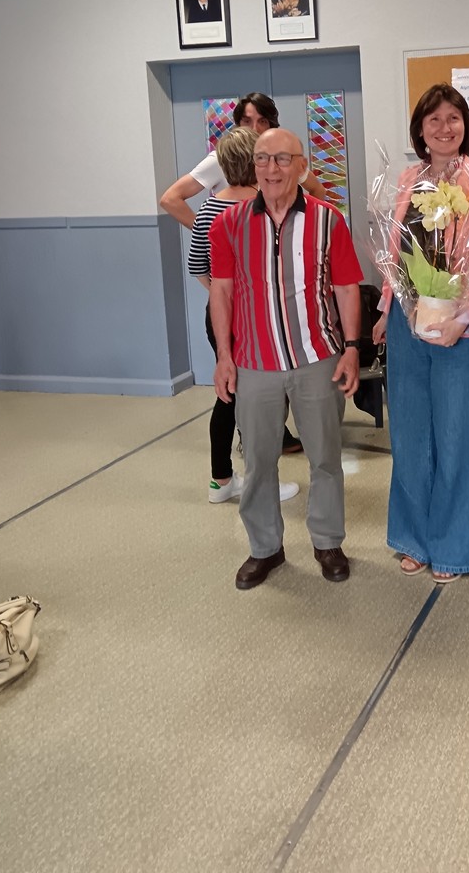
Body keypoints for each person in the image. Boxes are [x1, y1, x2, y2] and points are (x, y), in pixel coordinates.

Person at [209, 126, 363, 589]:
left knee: (325, 457)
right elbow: (221, 292)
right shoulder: (229, 223)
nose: (271, 169)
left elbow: (346, 288)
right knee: (259, 462)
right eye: (262, 159)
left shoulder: (328, 220)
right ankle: (265, 549)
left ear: (301, 166)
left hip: (317, 358)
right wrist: (224, 356)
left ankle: (328, 542)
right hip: (254, 362)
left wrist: (351, 348)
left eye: (281, 159)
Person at [372, 84, 469, 584]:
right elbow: (396, 254)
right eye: (434, 120)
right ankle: (414, 539)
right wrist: (387, 310)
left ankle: (456, 548)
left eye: (454, 118)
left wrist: (462, 319)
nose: (445, 128)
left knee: (457, 438)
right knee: (410, 436)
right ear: (420, 131)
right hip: (408, 325)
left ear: (466, 125)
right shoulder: (408, 180)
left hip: (461, 329)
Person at [187, 126, 299, 506]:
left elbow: (197, 266)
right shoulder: (264, 206)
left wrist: (220, 296)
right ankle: (261, 482)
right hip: (257, 319)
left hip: (217, 316)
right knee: (261, 401)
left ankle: (221, 479)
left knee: (228, 395)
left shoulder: (208, 208)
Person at [160, 92, 328, 230]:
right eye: (247, 121)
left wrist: (308, 229)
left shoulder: (284, 158)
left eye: (262, 121)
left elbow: (317, 189)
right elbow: (170, 199)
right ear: (238, 124)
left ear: (271, 125)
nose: (255, 128)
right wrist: (208, 234)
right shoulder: (221, 159)